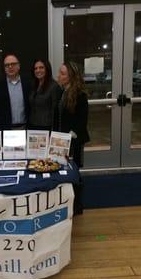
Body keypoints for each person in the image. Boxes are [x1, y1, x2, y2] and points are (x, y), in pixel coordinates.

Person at [54, 62, 90, 215]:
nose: (59, 76)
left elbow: (81, 122)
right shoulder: (64, 92)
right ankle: (70, 203)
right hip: (64, 141)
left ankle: (77, 206)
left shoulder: (80, 95)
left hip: (73, 141)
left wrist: (68, 139)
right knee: (67, 173)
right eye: (59, 73)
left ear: (71, 76)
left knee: (74, 173)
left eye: (62, 73)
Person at [0, 53, 30, 130]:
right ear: (4, 68)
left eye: (13, 64)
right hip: (6, 130)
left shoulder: (28, 84)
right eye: (7, 65)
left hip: (25, 128)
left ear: (18, 66)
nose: (10, 67)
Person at [29, 59, 61, 130]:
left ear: (47, 69)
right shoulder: (33, 85)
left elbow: (55, 111)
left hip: (47, 127)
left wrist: (55, 130)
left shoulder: (54, 86)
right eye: (36, 68)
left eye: (41, 67)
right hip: (33, 126)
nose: (38, 70)